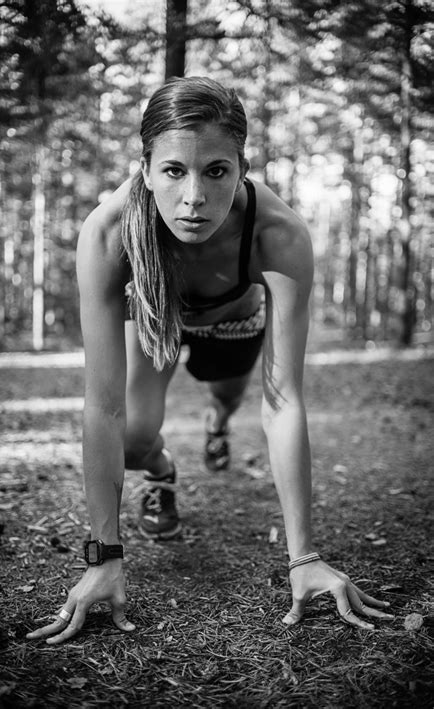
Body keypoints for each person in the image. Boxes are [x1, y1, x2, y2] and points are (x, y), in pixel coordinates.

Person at [26, 76, 393, 645]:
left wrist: (304, 558)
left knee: (227, 396)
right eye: (174, 170)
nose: (194, 197)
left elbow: (284, 400)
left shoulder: (278, 233)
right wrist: (103, 556)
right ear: (146, 169)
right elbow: (101, 407)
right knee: (134, 435)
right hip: (157, 310)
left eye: (215, 171)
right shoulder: (108, 233)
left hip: (234, 320)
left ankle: (219, 420)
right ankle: (163, 471)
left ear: (241, 168)